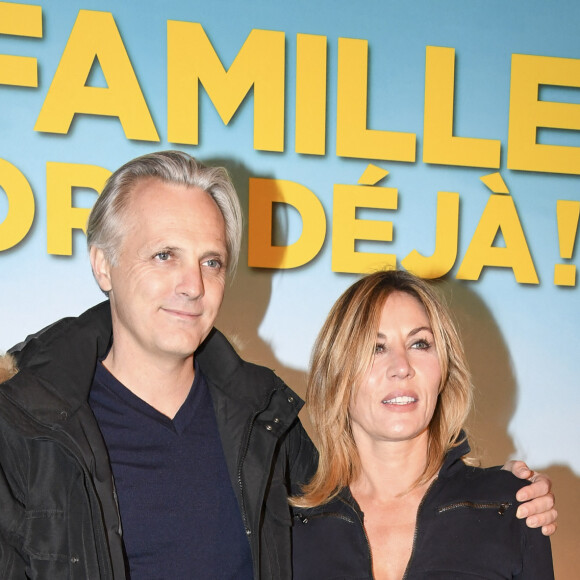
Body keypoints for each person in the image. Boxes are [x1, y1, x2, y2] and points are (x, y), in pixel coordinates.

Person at [0, 152, 554, 579]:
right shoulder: (26, 430)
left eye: (210, 261)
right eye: (164, 255)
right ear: (104, 264)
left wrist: (504, 494)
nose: (191, 285)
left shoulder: (268, 426)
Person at [291, 269, 554, 579]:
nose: (402, 367)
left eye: (420, 344)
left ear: (443, 369)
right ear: (337, 374)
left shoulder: (512, 505)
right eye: (376, 347)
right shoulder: (289, 525)